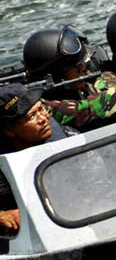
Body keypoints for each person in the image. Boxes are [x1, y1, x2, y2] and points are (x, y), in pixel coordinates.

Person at [0, 83, 75, 231]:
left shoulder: (69, 137)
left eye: (41, 108)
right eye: (32, 116)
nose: (43, 118)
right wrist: (2, 215)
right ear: (9, 130)